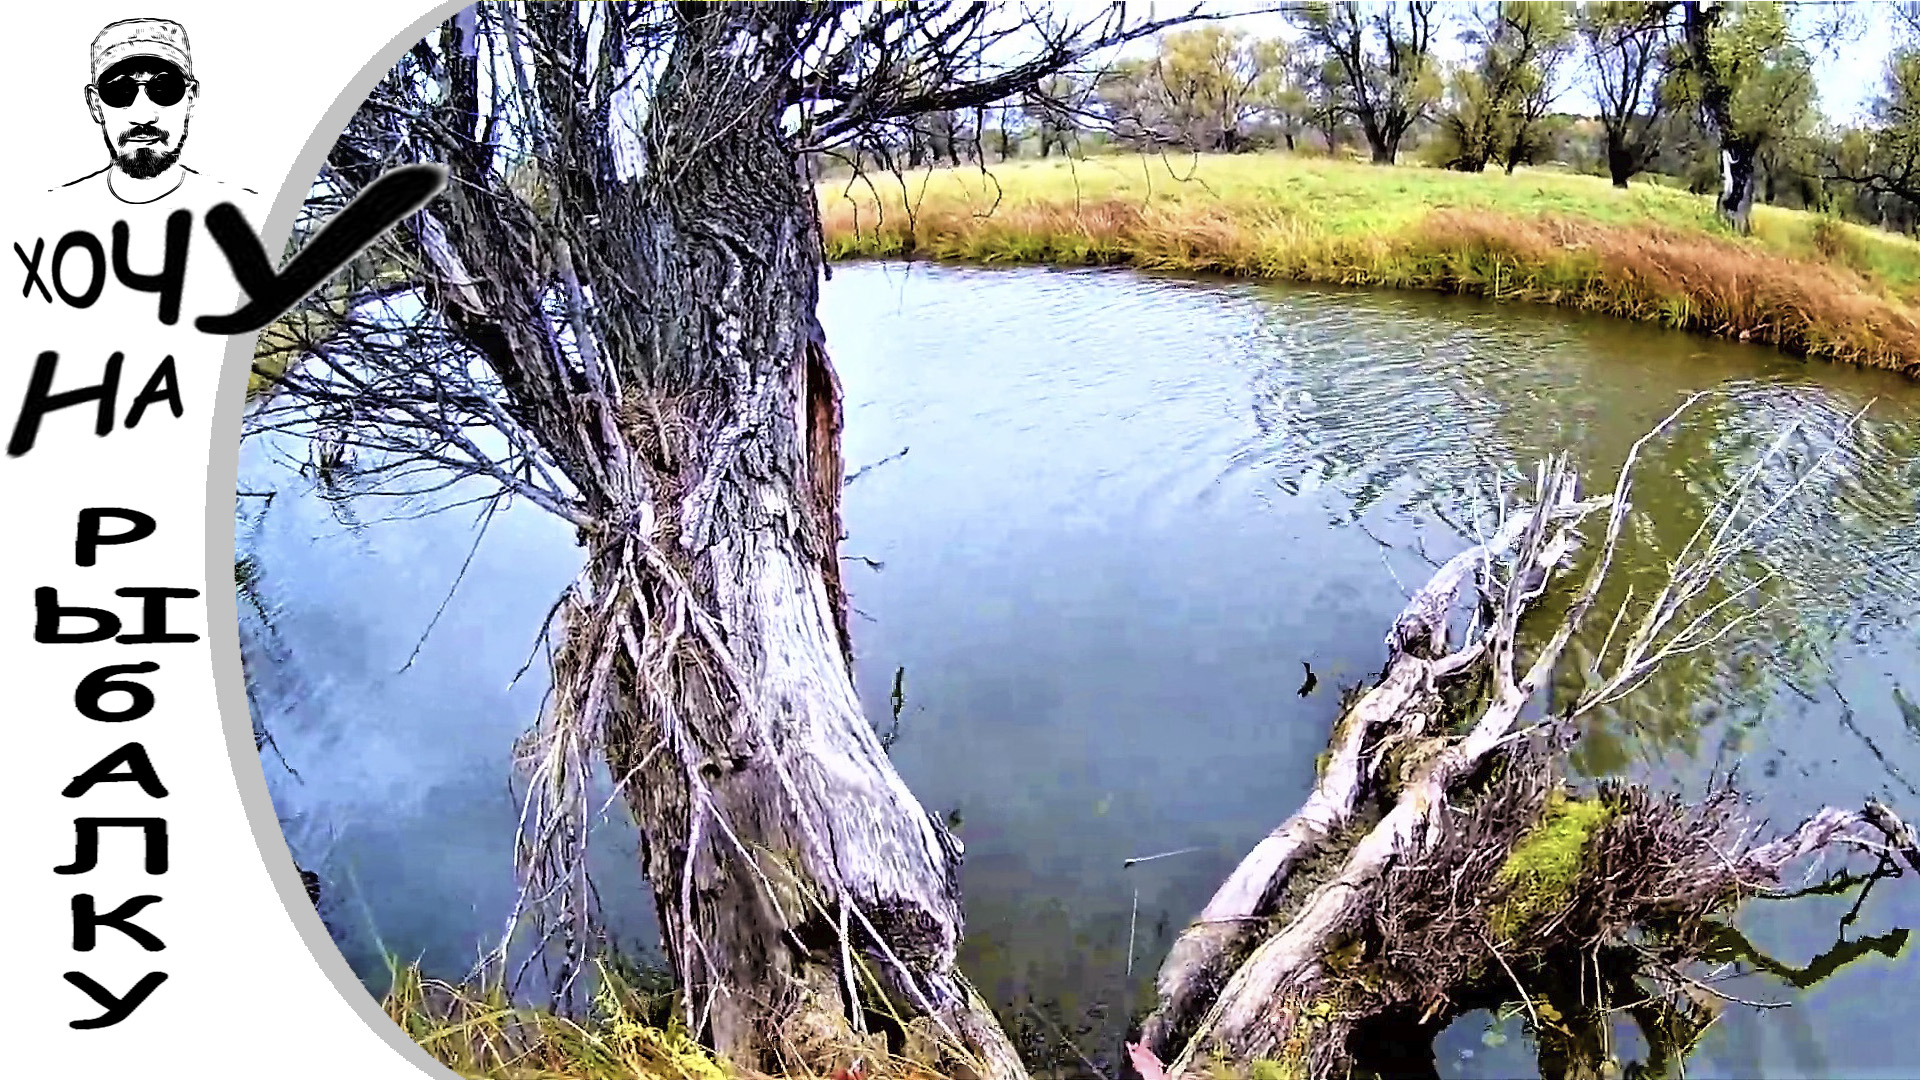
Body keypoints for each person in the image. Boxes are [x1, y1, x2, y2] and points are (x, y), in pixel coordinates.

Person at [55, 17, 256, 207]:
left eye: (164, 89)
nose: (143, 116)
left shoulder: (250, 212)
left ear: (191, 97)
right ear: (95, 103)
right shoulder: (54, 212)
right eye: (119, 91)